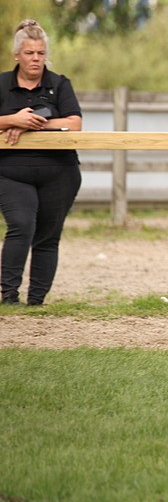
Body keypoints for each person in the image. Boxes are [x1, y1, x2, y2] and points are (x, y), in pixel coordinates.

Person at [0, 20, 83, 306]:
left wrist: (34, 124)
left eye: (40, 53)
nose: (35, 59)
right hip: (11, 172)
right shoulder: (1, 84)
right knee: (21, 226)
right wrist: (12, 120)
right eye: (29, 53)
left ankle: (36, 302)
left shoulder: (59, 84)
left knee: (48, 236)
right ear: (17, 55)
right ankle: (9, 296)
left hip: (59, 172)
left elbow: (74, 124)